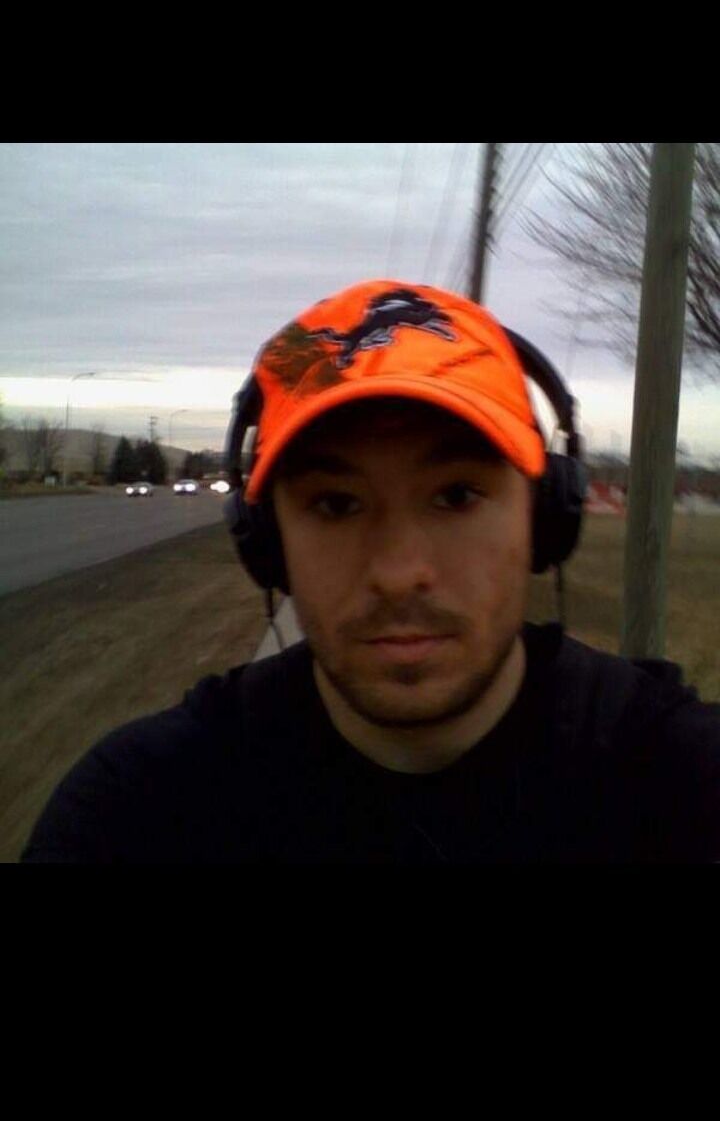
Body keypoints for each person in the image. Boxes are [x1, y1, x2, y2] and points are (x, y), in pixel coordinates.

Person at [21, 279, 720, 864]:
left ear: (542, 516)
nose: (399, 573)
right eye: (336, 504)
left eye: (456, 495)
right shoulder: (139, 811)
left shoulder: (682, 779)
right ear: (268, 541)